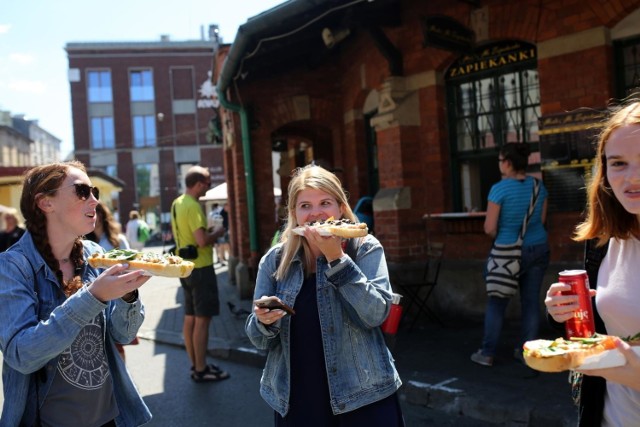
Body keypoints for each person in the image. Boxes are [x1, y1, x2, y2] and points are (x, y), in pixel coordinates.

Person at [246, 164, 404, 425]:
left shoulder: (364, 248)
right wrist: (263, 321)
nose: (315, 213)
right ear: (294, 213)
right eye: (305, 205)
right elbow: (258, 341)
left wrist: (336, 258)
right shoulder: (275, 261)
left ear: (340, 208)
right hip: (298, 398)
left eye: (325, 203)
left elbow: (376, 314)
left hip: (364, 396)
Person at [0, 160, 151, 426]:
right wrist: (92, 297)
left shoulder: (94, 255)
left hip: (109, 418)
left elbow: (123, 335)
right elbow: (21, 356)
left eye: (95, 192)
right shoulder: (13, 267)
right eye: (82, 191)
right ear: (46, 203)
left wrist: (128, 295)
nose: (94, 201)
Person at [545, 102, 640, 426]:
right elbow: (598, 328)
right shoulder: (605, 241)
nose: (632, 177)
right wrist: (562, 313)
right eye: (619, 163)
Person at [471, 142, 550, 367]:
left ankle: (487, 353)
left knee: (497, 302)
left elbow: (489, 227)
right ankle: (528, 354)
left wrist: (503, 235)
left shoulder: (499, 189)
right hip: (538, 248)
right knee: (531, 302)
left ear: (507, 162)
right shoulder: (539, 187)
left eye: (499, 160)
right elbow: (541, 221)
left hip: (506, 252)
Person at [170, 165, 230, 382]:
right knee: (202, 319)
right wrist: (218, 232)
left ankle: (195, 364)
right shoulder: (193, 206)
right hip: (201, 267)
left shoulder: (177, 203)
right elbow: (202, 240)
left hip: (184, 267)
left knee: (190, 317)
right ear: (198, 184)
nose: (208, 186)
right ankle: (201, 369)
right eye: (207, 183)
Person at [86, 201, 139, 361]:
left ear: (103, 215)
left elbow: (131, 265)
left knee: (117, 343)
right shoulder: (84, 244)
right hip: (94, 296)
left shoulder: (118, 240)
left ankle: (121, 376)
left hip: (118, 295)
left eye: (97, 212)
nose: (93, 215)